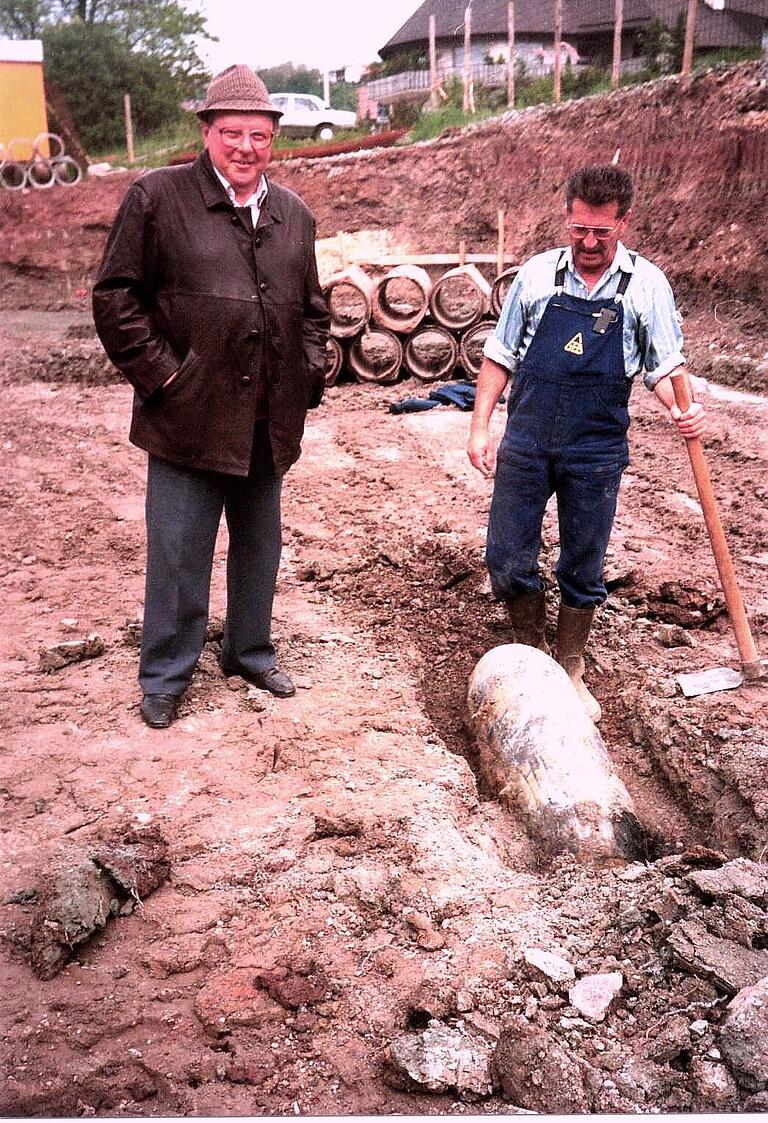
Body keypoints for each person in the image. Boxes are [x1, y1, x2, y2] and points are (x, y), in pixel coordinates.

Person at [93, 65, 330, 728]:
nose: (246, 147)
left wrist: (309, 376)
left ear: (274, 138)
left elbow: (314, 310)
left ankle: (249, 652)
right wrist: (167, 377)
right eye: (232, 133)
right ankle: (166, 673)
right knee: (178, 550)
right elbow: (116, 298)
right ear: (207, 132)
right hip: (187, 416)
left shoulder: (294, 216)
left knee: (260, 545)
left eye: (259, 135)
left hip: (266, 421)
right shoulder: (157, 199)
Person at [467, 164, 706, 723]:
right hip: (526, 438)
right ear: (567, 219)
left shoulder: (645, 285)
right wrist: (480, 426)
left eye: (602, 231)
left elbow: (666, 366)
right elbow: (500, 355)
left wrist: (682, 409)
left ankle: (570, 661)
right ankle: (532, 648)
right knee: (505, 557)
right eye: (579, 230)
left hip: (594, 446)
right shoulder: (535, 277)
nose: (590, 243)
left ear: (623, 221)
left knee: (583, 561)